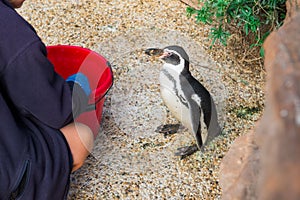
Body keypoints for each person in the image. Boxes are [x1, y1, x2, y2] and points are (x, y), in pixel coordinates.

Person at [0, 0, 95, 199]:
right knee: (81, 135)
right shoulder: (7, 28)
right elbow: (57, 112)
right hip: (11, 182)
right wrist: (78, 88)